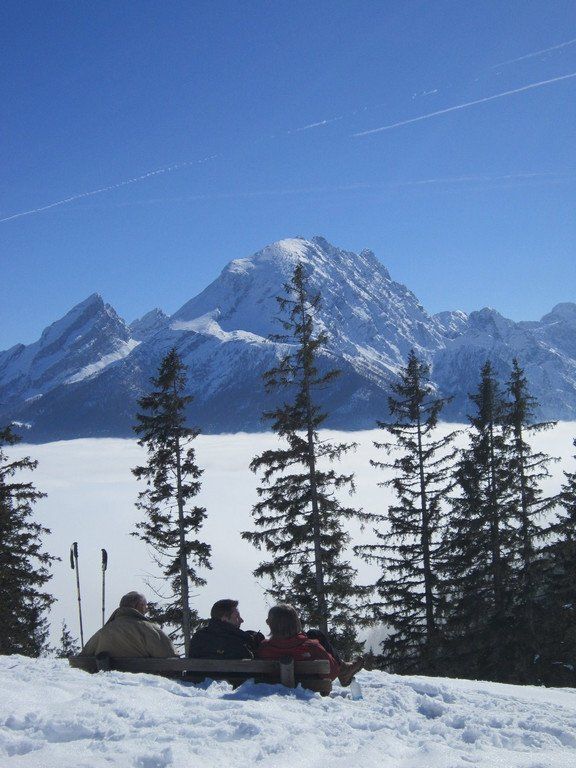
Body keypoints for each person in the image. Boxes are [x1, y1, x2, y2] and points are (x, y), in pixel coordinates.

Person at [256, 603, 364, 686]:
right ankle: (344, 670)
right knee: (314, 633)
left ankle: (345, 669)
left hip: (274, 690)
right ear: (296, 623)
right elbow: (332, 672)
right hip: (309, 690)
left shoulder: (264, 648)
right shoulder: (312, 647)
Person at [80, 591, 177, 658]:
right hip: (144, 680)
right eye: (145, 605)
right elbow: (170, 656)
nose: (147, 609)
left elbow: (83, 658)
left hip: (110, 680)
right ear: (138, 606)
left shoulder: (104, 631)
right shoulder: (150, 630)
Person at [189, 599, 264, 659]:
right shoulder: (237, 641)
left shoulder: (199, 637)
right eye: (237, 616)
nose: (241, 620)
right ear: (224, 618)